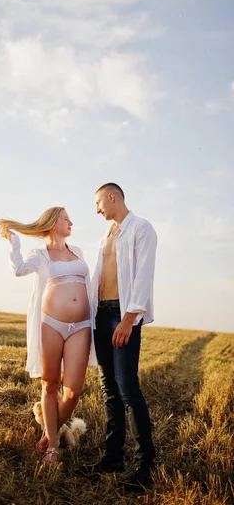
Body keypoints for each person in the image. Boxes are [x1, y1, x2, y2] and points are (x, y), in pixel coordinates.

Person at [0, 206, 97, 466]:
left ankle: (49, 429)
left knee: (73, 392)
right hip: (51, 324)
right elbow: (18, 269)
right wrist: (13, 241)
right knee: (50, 385)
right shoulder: (40, 255)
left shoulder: (79, 253)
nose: (71, 222)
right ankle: (52, 446)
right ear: (53, 223)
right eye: (66, 219)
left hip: (81, 325)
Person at [91, 182, 157, 491]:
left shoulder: (141, 228)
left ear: (112, 197)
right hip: (101, 315)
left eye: (99, 202)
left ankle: (145, 466)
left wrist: (129, 319)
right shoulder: (105, 236)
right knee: (109, 389)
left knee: (127, 387)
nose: (97, 209)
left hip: (123, 315)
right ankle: (112, 458)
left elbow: (143, 275)